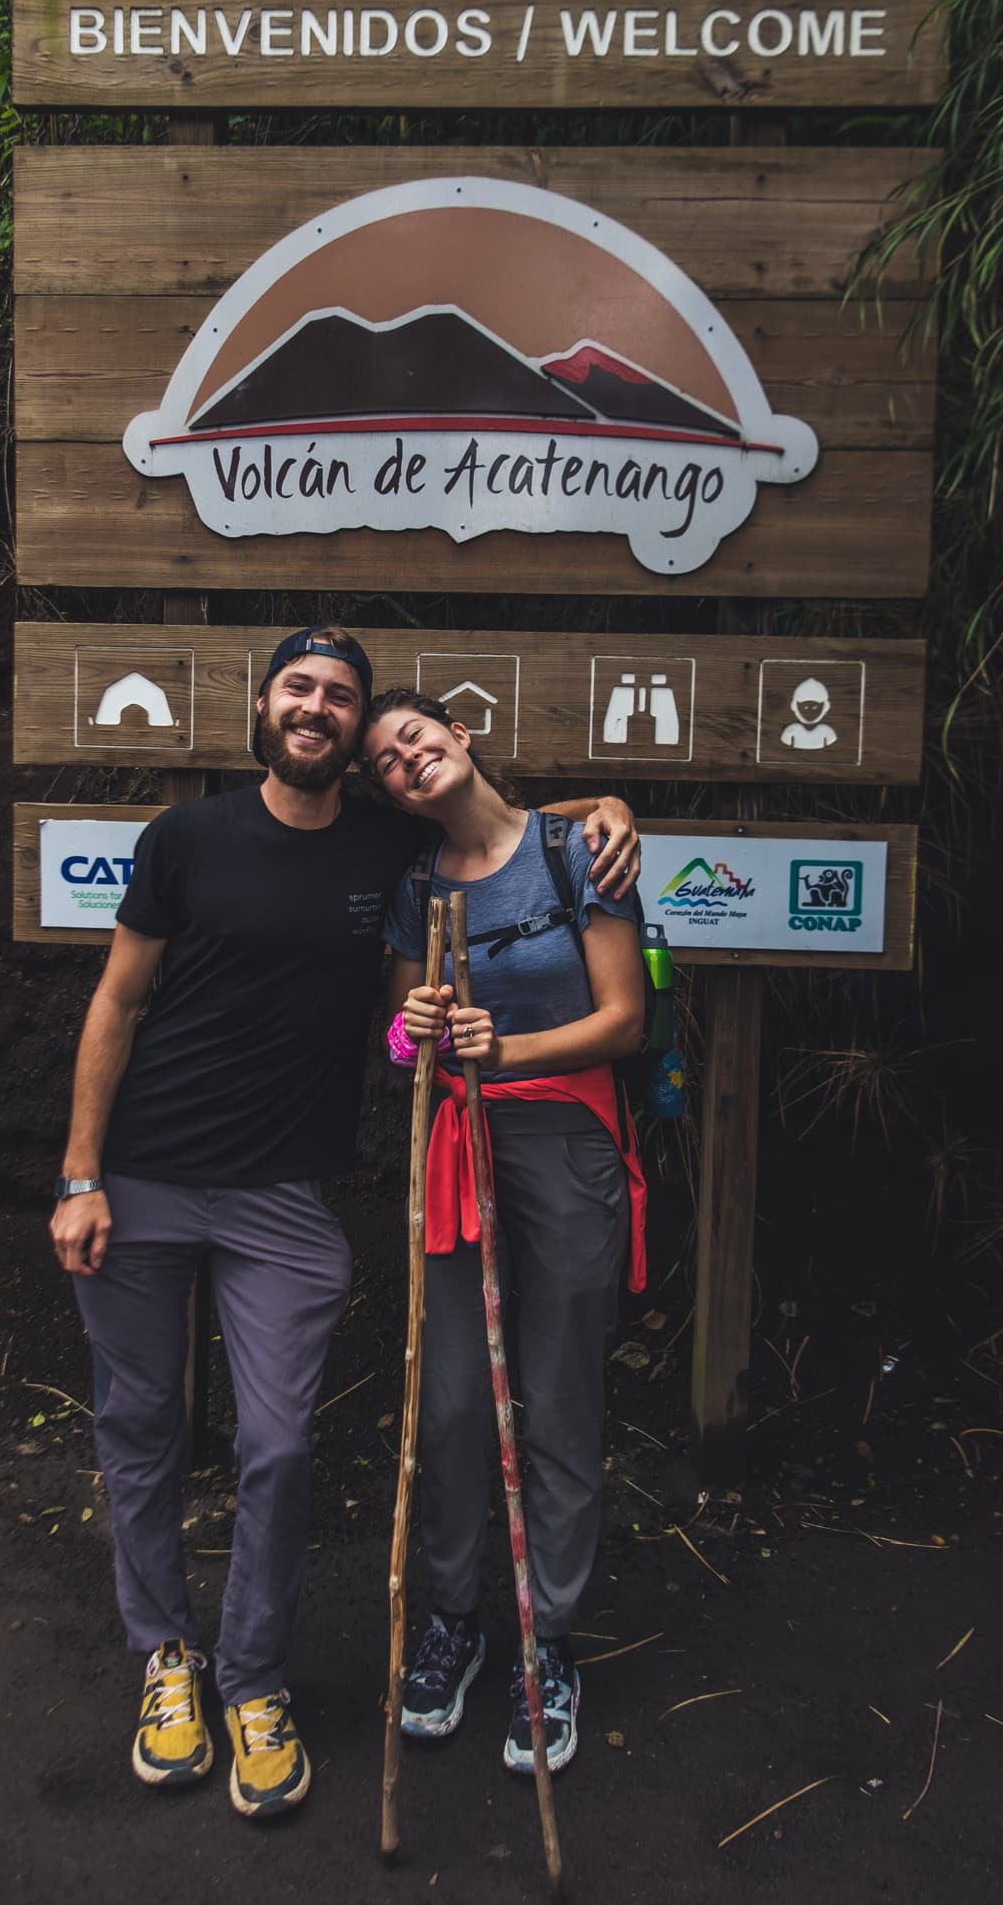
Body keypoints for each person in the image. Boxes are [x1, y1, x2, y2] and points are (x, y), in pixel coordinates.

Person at [47, 626, 640, 1821]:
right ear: (265, 705)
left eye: (350, 702)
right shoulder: (212, 840)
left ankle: (300, 1671)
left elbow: (514, 828)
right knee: (163, 1424)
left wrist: (611, 802)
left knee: (315, 1439)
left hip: (340, 1180)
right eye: (302, 689)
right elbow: (122, 998)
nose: (323, 711)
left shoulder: (449, 846)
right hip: (180, 1169)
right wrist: (78, 1174)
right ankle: (188, 1654)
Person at [360, 687, 649, 1777]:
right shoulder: (416, 887)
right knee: (447, 1397)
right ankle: (454, 1621)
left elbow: (623, 1020)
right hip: (455, 1146)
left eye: (415, 736)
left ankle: (549, 1640)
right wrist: (416, 1031)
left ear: (461, 732)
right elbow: (400, 1041)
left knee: (559, 1391)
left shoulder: (580, 853)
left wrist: (504, 1051)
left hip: (566, 1139)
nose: (406, 760)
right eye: (386, 762)